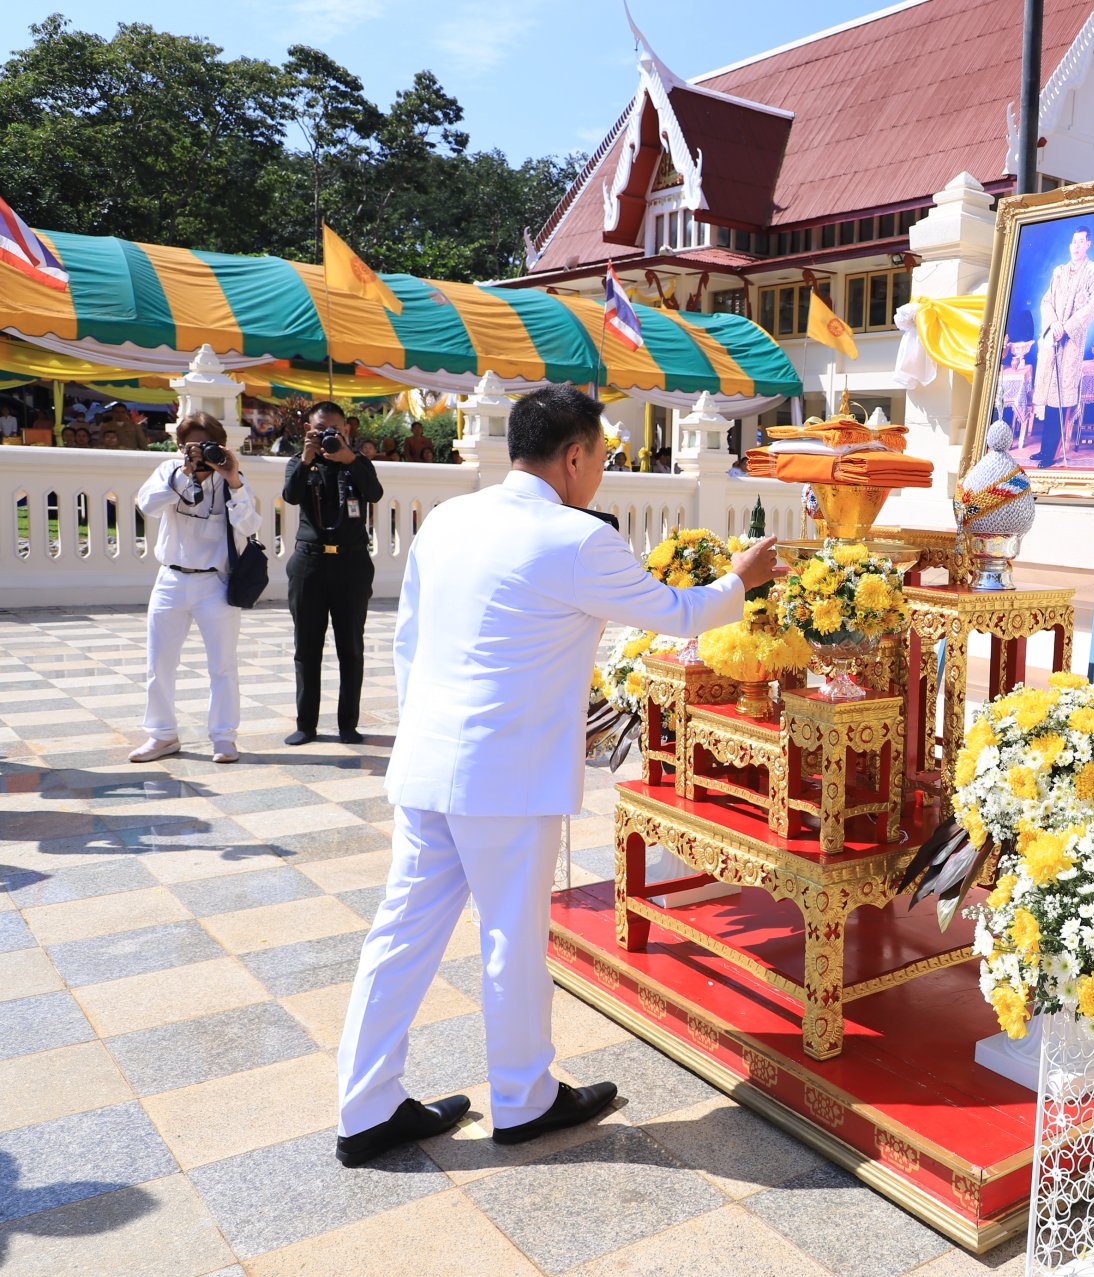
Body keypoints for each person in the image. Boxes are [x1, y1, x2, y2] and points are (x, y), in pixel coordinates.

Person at [332, 386, 778, 1165]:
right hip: (502, 777)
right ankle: (524, 1098)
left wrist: (438, 733)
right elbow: (680, 613)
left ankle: (365, 1107)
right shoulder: (574, 537)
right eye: (601, 457)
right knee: (509, 935)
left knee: (399, 935)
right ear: (573, 457)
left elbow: (407, 642)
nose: (601, 472)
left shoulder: (448, 518)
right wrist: (741, 579)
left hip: (430, 761)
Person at [127, 413, 261, 765]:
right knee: (159, 663)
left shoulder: (232, 477)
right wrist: (184, 473)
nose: (200, 453)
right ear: (179, 446)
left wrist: (231, 479)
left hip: (214, 583)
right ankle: (161, 735)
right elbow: (147, 506)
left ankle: (223, 736)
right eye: (192, 446)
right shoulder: (169, 471)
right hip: (170, 579)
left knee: (223, 665)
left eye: (207, 445)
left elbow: (249, 525)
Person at [282, 401, 382, 746]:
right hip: (309, 564)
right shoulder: (300, 463)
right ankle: (305, 724)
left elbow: (375, 493)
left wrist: (350, 459)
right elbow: (290, 496)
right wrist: (308, 459)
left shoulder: (358, 464)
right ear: (307, 431)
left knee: (350, 648)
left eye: (334, 429)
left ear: (346, 430)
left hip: (351, 564)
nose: (327, 435)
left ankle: (348, 724)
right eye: (319, 429)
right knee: (306, 648)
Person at [1030, 225, 1094, 468]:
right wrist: (1054, 324)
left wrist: (1067, 327)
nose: (1076, 246)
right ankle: (1044, 450)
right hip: (1054, 337)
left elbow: (1090, 306)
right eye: (1073, 242)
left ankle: (1051, 452)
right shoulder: (1059, 271)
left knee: (1061, 398)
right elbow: (1046, 300)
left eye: (1081, 241)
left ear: (1088, 244)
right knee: (1050, 396)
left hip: (1071, 340)